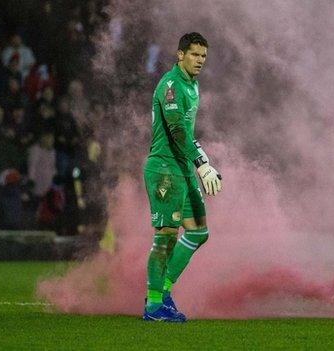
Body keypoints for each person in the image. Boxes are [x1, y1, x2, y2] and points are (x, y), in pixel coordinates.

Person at [142, 32, 222, 322]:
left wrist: (202, 163)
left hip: (182, 168)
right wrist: (202, 163)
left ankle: (163, 291)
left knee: (199, 231)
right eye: (194, 55)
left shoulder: (193, 85)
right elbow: (176, 132)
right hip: (164, 168)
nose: (200, 60)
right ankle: (152, 307)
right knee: (165, 237)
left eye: (203, 56)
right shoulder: (172, 85)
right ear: (180, 55)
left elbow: (186, 134)